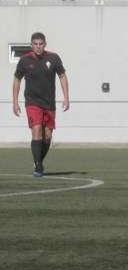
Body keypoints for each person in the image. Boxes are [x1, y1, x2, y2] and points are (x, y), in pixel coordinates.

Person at [12, 32, 69, 177]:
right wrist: (15, 102)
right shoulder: (24, 61)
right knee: (36, 129)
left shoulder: (53, 58)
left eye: (41, 44)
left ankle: (38, 160)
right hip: (32, 102)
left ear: (45, 44)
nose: (38, 47)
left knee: (48, 136)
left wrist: (66, 97)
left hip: (49, 103)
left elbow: (62, 76)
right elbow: (17, 80)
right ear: (31, 45)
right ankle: (38, 167)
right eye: (35, 44)